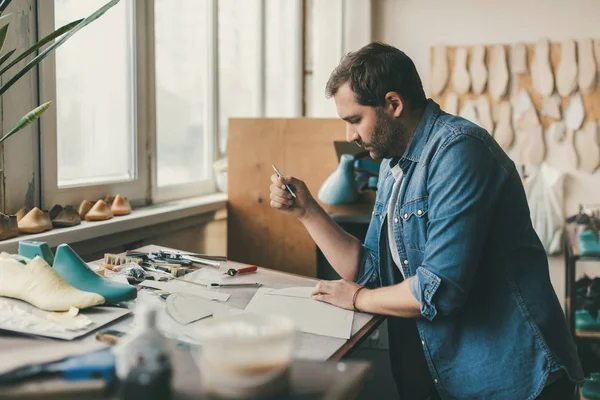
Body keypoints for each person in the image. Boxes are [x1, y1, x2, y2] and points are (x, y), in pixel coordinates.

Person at [269, 42, 583, 399]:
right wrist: (307, 212)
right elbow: (372, 271)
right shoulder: (393, 165)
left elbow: (440, 289)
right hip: (453, 371)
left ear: (393, 104)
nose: (350, 136)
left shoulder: (460, 151)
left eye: (355, 120)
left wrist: (358, 299)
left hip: (512, 374)